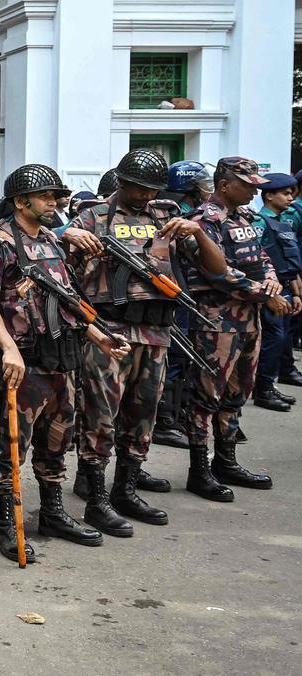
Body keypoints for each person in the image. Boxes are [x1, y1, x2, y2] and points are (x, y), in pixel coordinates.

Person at [62, 149, 234, 535]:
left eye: (151, 190)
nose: (144, 196)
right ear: (121, 182)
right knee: (99, 416)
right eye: (138, 188)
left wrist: (199, 232)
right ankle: (96, 499)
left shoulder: (166, 217)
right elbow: (62, 277)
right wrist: (68, 238)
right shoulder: (92, 218)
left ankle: (125, 489)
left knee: (143, 416)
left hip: (156, 332)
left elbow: (217, 268)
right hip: (111, 331)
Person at [0, 164, 123, 562]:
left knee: (57, 440)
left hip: (63, 361)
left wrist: (101, 339)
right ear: (21, 202)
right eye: (46, 197)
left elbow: (70, 306)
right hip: (27, 363)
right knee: (12, 445)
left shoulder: (53, 244)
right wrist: (8, 348)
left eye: (57, 196)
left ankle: (53, 512)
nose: (55, 203)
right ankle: (7, 524)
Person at [183, 157, 285, 501]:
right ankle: (200, 471)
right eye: (248, 184)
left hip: (249, 320)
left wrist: (272, 283)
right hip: (216, 322)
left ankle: (226, 461)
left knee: (236, 395)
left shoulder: (246, 219)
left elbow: (263, 258)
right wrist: (264, 295)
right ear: (225, 185)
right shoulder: (202, 221)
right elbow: (218, 272)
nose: (255, 190)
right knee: (205, 398)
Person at [153, 161, 217, 448]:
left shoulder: (182, 214)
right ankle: (164, 421)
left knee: (181, 357)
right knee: (173, 358)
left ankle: (174, 415)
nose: (208, 191)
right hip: (168, 293)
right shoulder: (169, 213)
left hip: (181, 292)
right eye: (203, 185)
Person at [252, 173, 302, 410]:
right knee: (273, 338)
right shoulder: (260, 222)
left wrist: (296, 291)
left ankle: (268, 385)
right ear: (269, 195)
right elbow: (256, 260)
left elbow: (287, 260)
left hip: (284, 285)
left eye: (291, 193)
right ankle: (263, 389)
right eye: (285, 193)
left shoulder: (283, 221)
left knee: (280, 338)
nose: (290, 197)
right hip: (269, 290)